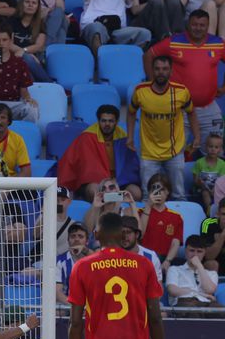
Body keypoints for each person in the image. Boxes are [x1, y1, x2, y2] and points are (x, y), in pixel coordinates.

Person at [146, 11, 225, 142]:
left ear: (208, 26)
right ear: (188, 24)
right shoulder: (174, 41)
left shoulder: (218, 43)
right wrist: (153, 82)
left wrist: (224, 87)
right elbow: (149, 55)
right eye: (194, 24)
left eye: (202, 25)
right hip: (179, 109)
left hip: (209, 107)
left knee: (214, 154)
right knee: (174, 153)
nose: (198, 28)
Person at [129, 55, 197, 202]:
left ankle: (181, 224)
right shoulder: (140, 91)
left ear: (171, 71)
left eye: (165, 69)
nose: (161, 72)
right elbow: (131, 112)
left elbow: (191, 113)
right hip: (149, 152)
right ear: (152, 71)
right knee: (148, 196)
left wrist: (197, 136)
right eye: (157, 69)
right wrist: (129, 137)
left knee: (179, 195)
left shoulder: (181, 91)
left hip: (174, 151)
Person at [58, 104, 141, 200]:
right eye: (104, 121)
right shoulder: (86, 137)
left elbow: (129, 168)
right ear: (98, 121)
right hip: (97, 183)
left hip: (118, 182)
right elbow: (77, 166)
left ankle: (110, 200)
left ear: (116, 122)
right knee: (93, 190)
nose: (107, 124)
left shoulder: (123, 138)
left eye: (111, 121)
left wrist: (114, 182)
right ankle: (113, 199)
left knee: (136, 192)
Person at [0, 25, 39, 125]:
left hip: (12, 104)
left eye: (4, 40)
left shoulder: (19, 63)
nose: (1, 43)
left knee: (32, 109)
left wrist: (28, 99)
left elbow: (24, 92)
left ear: (10, 40)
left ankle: (23, 139)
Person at [138, 173, 183, 274]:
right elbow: (139, 235)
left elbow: (175, 243)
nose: (158, 193)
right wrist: (148, 206)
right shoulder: (139, 212)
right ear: (149, 192)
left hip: (165, 259)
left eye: (161, 189)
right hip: (144, 258)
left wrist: (167, 261)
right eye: (154, 189)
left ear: (168, 192)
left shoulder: (176, 217)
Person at [165, 234, 220, 307]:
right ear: (185, 251)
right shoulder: (174, 269)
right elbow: (172, 290)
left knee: (220, 310)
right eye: (192, 250)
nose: (195, 255)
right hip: (184, 302)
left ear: (204, 253)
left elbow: (209, 290)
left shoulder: (212, 273)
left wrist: (199, 266)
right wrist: (199, 294)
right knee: (190, 306)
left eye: (199, 251)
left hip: (206, 304)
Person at [9, 0, 49, 82]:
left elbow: (39, 46)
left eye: (34, 3)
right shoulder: (12, 21)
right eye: (27, 2)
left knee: (27, 67)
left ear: (37, 7)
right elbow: (9, 44)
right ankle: (50, 84)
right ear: (22, 4)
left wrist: (24, 51)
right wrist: (26, 54)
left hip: (34, 62)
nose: (30, 5)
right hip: (14, 58)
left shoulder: (40, 24)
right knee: (26, 61)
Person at [56, 221, 94, 303]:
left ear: (87, 241)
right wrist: (75, 308)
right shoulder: (60, 261)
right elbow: (58, 292)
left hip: (91, 307)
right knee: (59, 312)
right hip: (68, 305)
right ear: (68, 240)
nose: (76, 239)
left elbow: (104, 260)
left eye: (80, 236)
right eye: (73, 236)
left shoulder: (94, 261)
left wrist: (85, 250)